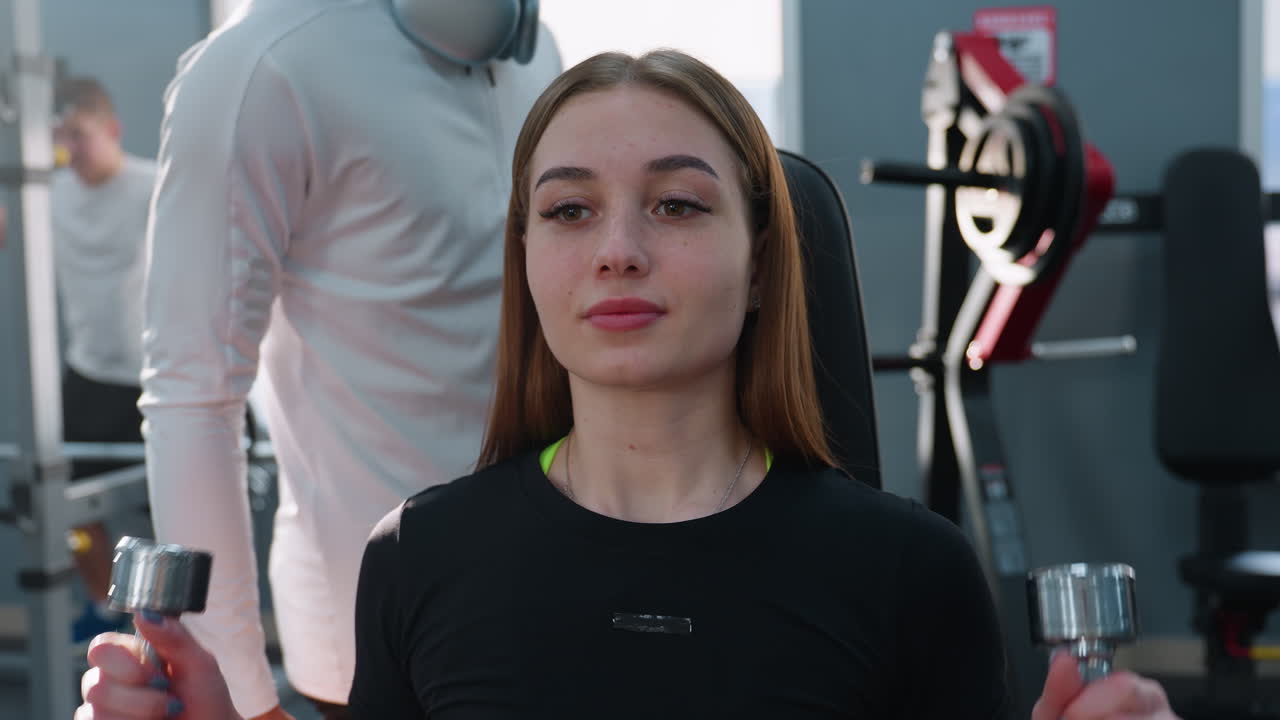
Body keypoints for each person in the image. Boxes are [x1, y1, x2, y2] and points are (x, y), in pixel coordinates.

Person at [76, 50, 1181, 720]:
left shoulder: (909, 574)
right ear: (529, 263)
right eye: (567, 210)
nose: (614, 250)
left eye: (677, 204)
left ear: (760, 268)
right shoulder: (418, 556)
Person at [135, 1, 561, 718]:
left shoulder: (533, 46)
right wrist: (239, 693)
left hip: (554, 587)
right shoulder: (262, 67)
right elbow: (193, 396)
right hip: (374, 632)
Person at [50, 75, 153, 644]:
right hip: (87, 375)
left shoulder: (153, 187)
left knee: (168, 511)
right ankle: (101, 603)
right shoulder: (49, 190)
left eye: (80, 134)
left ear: (111, 129)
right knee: (69, 512)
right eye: (59, 136)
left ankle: (162, 627)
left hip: (150, 378)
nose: (70, 148)